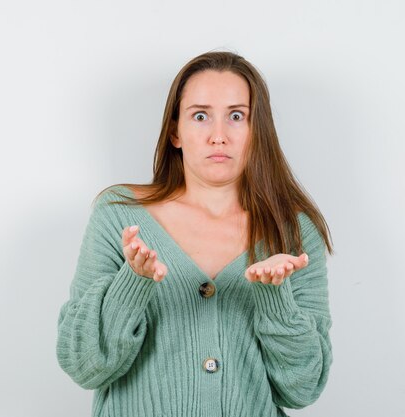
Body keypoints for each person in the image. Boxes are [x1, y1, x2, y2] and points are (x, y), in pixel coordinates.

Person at [56, 50, 334, 417]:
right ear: (175, 131)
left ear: (257, 130)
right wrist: (132, 284)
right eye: (200, 116)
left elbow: (302, 389)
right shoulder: (119, 215)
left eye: (237, 116)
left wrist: (274, 299)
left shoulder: (294, 231)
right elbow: (84, 365)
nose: (219, 136)